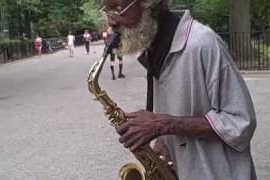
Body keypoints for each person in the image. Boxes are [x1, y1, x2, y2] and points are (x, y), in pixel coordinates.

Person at [103, 0, 257, 180]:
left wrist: (162, 124)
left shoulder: (203, 43)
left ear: (149, 4)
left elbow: (241, 122)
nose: (111, 22)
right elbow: (177, 111)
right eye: (107, 10)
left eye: (119, 8)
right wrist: (162, 144)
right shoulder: (154, 47)